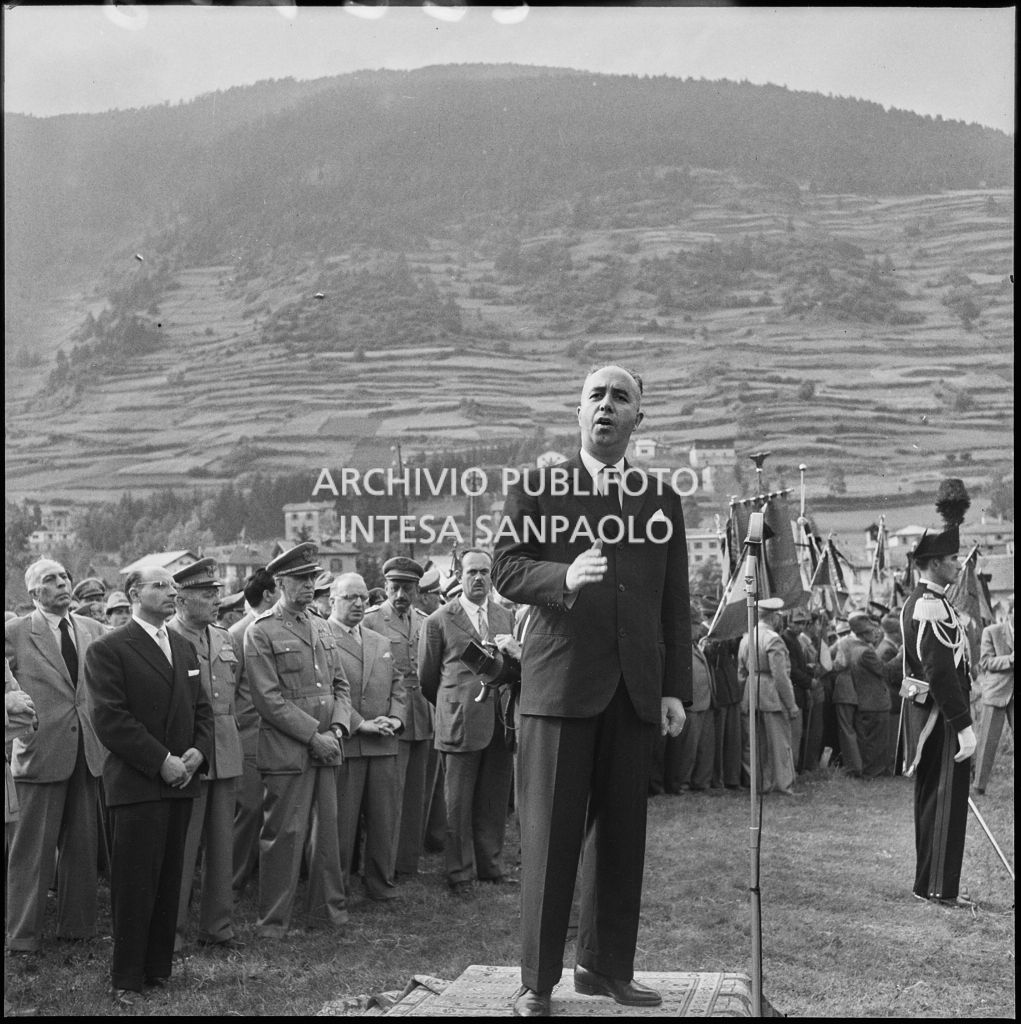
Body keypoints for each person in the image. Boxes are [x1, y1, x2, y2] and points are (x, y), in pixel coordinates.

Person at [492, 364, 690, 1016]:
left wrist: (671, 689)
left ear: (639, 416)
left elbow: (672, 602)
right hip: (559, 689)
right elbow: (505, 569)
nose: (606, 406)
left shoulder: (660, 500)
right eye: (594, 396)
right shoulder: (537, 486)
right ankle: (537, 983)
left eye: (620, 397)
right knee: (549, 842)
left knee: (622, 839)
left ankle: (605, 970)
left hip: (633, 693)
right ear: (577, 413)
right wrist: (562, 576)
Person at [84, 566, 212, 1005]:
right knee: (135, 883)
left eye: (172, 586)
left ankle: (157, 969)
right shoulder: (109, 649)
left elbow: (203, 710)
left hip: (181, 782)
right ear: (133, 593)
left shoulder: (182, 645)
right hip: (138, 786)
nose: (170, 592)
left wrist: (198, 752)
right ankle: (126, 978)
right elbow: (111, 720)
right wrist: (162, 762)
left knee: (169, 878)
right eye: (159, 585)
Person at [243, 542, 352, 938]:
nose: (310, 586)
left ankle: (328, 914)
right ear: (280, 582)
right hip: (289, 748)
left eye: (312, 578)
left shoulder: (321, 625)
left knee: (328, 835)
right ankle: (274, 922)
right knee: (284, 836)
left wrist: (338, 729)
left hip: (328, 742)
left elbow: (341, 686)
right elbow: (268, 699)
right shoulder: (261, 632)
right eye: (301, 580)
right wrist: (314, 735)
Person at [5, 558, 109, 956]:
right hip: (39, 752)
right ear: (34, 593)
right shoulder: (15, 632)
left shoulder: (91, 629)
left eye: (65, 576)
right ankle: (22, 936)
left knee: (82, 847)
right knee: (31, 850)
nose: (63, 583)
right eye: (51, 580)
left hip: (86, 751)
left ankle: (78, 930)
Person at [419, 549, 515, 895]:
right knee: (457, 802)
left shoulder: (506, 616)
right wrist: (452, 706)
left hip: (499, 722)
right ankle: (459, 873)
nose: (479, 578)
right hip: (460, 722)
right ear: (459, 575)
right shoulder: (440, 619)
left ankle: (491, 866)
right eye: (472, 572)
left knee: (493, 798)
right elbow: (428, 679)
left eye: (485, 572)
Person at [901, 479, 976, 908]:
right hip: (942, 718)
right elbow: (941, 673)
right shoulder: (930, 605)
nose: (957, 564)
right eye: (951, 558)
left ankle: (931, 885)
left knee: (938, 801)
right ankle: (937, 890)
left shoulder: (933, 601)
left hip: (939, 715)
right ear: (931, 564)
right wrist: (964, 726)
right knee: (944, 802)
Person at [167, 559, 244, 952]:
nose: (216, 600)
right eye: (206, 594)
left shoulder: (225, 637)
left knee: (221, 844)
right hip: (185, 755)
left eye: (216, 593)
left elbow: (238, 693)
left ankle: (218, 927)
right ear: (180, 599)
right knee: (181, 847)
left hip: (224, 750)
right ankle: (172, 932)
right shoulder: (165, 638)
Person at [327, 573, 406, 902]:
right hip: (349, 744)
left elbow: (399, 687)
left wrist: (396, 718)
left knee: (384, 820)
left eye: (363, 597)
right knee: (342, 824)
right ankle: (339, 887)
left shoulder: (379, 641)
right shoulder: (322, 638)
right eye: (349, 597)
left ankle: (380, 883)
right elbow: (328, 691)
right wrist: (360, 724)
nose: (359, 603)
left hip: (383, 744)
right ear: (332, 600)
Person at [363, 557, 434, 880]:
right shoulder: (372, 621)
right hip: (390, 718)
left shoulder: (425, 620)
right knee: (389, 796)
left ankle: (407, 862)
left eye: (407, 588)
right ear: (387, 587)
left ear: (418, 590)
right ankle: (383, 865)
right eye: (395, 587)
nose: (400, 594)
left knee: (416, 794)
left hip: (422, 715)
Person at [228, 567, 278, 899]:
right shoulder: (238, 633)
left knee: (273, 807)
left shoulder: (279, 629)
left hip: (276, 732)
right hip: (248, 732)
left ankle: (263, 875)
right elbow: (230, 690)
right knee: (247, 809)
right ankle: (232, 881)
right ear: (270, 594)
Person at [737, 598, 800, 797]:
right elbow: (780, 676)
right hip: (771, 694)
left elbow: (740, 672)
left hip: (751, 692)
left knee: (754, 743)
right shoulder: (773, 639)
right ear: (773, 617)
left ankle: (758, 784)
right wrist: (791, 704)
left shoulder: (746, 637)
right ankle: (783, 785)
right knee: (779, 742)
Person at [843, 611, 893, 778]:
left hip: (866, 701)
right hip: (874, 701)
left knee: (870, 739)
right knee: (876, 740)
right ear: (864, 634)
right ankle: (874, 771)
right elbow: (883, 670)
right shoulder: (866, 652)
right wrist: (901, 656)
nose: (875, 634)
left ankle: (872, 770)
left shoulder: (856, 648)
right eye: (871, 632)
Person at [973, 603, 1013, 795]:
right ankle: (979, 785)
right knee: (987, 741)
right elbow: (985, 662)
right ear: (1010, 613)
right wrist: (1010, 660)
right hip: (996, 693)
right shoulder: (992, 631)